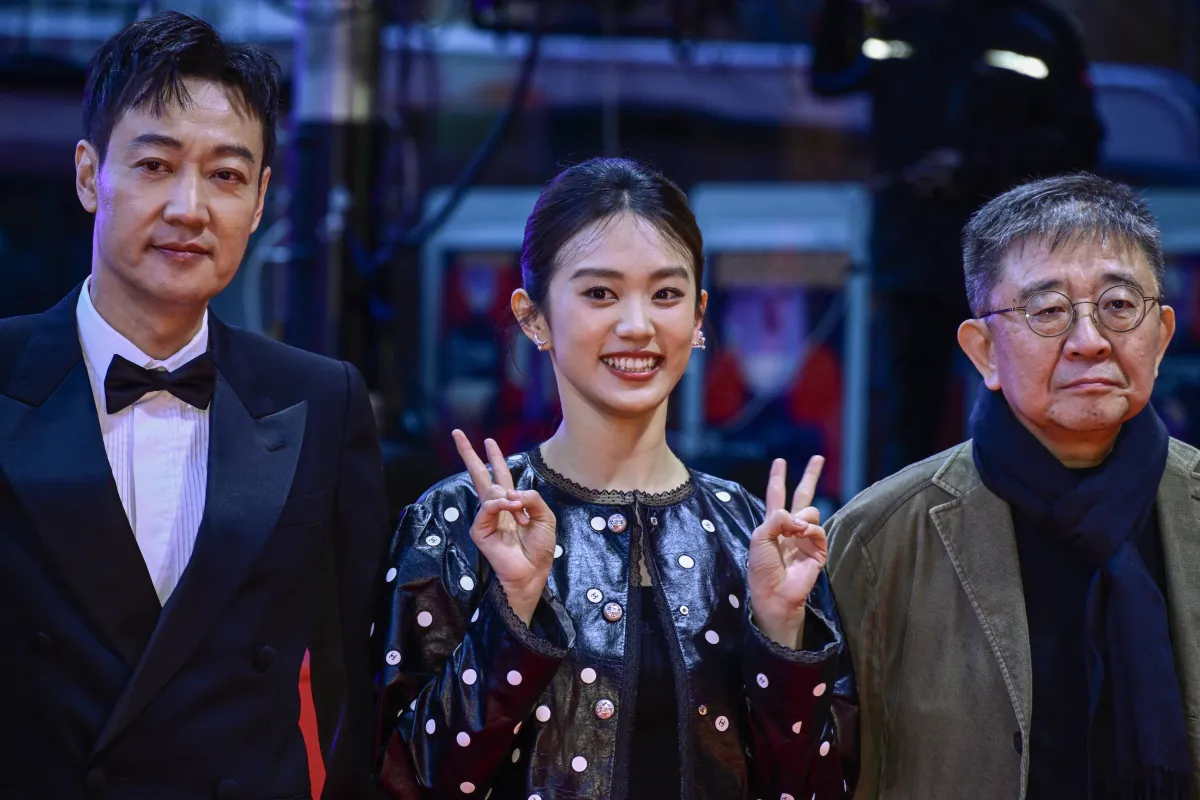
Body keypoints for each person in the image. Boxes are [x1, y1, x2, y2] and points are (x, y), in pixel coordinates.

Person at [372, 157, 858, 799]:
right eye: (600, 293)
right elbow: (401, 781)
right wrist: (512, 611)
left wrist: (781, 632)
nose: (637, 324)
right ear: (533, 316)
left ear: (700, 314)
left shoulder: (754, 535)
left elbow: (822, 785)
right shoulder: (459, 522)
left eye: (666, 294)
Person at [0, 12, 390, 799]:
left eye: (225, 175)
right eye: (154, 165)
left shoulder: (322, 398)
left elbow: (359, 679)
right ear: (87, 175)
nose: (190, 207)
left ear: (260, 200)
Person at [826, 173, 1199, 798]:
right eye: (1049, 311)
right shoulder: (879, 540)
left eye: (1118, 306)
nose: (1089, 342)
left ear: (1160, 337)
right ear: (984, 352)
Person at [811, 0, 1104, 476]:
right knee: (910, 418)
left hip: (1013, 259)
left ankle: (1022, 537)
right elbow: (829, 77)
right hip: (913, 256)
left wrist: (975, 166)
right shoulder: (895, 21)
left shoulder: (1037, 27)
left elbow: (1080, 142)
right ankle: (906, 540)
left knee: (1023, 410)